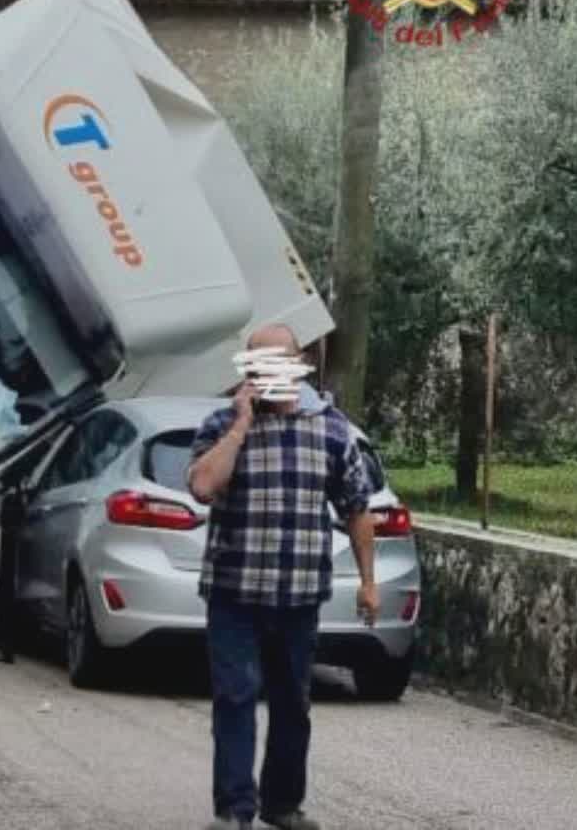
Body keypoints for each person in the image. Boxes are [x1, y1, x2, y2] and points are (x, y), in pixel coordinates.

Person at [187, 325, 379, 830]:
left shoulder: (333, 431)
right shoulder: (220, 424)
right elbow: (204, 486)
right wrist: (240, 424)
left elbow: (357, 509)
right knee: (235, 698)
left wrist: (368, 581)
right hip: (233, 594)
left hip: (298, 597)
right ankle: (234, 810)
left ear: (298, 364)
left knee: (293, 704)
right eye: (256, 364)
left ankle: (282, 805)